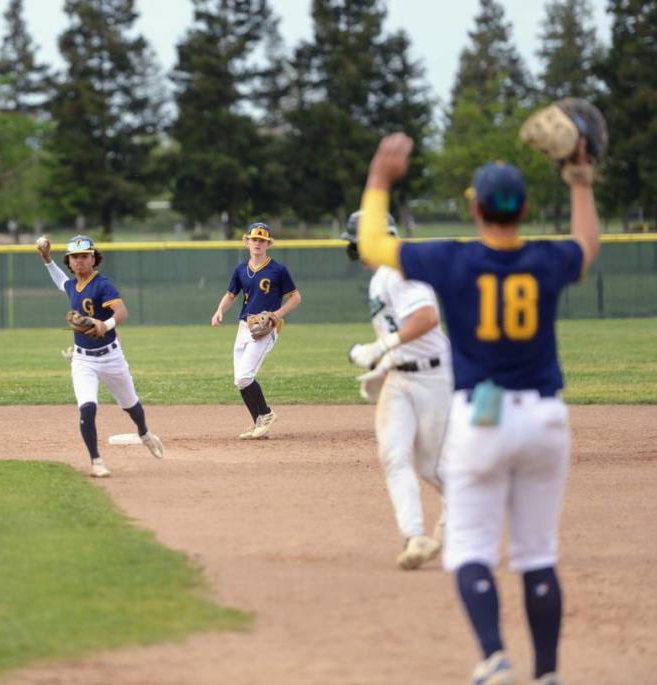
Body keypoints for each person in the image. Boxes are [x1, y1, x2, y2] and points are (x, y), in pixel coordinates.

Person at [357, 133, 599, 685]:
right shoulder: (546, 257)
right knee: (537, 554)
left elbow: (373, 245)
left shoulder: (452, 259)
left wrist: (380, 178)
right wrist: (580, 179)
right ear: (527, 210)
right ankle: (548, 673)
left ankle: (494, 658)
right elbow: (587, 245)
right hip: (544, 418)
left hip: (481, 419)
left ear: (474, 207)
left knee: (469, 547)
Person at [343, 210, 453, 571]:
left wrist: (380, 347)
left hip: (435, 378)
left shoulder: (400, 272)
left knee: (429, 464)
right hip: (401, 378)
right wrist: (384, 361)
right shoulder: (379, 279)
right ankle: (414, 536)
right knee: (393, 454)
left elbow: (428, 318)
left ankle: (463, 510)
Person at [37, 234, 165, 478]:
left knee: (131, 406)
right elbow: (60, 281)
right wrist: (46, 259)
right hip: (83, 359)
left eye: (84, 256)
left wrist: (105, 325)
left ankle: (144, 433)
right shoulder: (72, 286)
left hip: (111, 357)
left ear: (93, 258)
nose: (79, 261)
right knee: (87, 408)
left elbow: (122, 312)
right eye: (74, 257)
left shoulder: (103, 285)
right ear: (69, 261)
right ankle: (96, 461)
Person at [211, 222, 302, 439]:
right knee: (239, 380)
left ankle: (267, 414)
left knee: (245, 376)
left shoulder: (278, 270)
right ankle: (259, 425)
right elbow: (231, 294)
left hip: (266, 328)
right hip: (245, 326)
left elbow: (296, 298)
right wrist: (219, 310)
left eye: (262, 240)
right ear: (247, 242)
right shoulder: (241, 269)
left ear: (268, 244)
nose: (258, 243)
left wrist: (276, 315)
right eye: (254, 239)